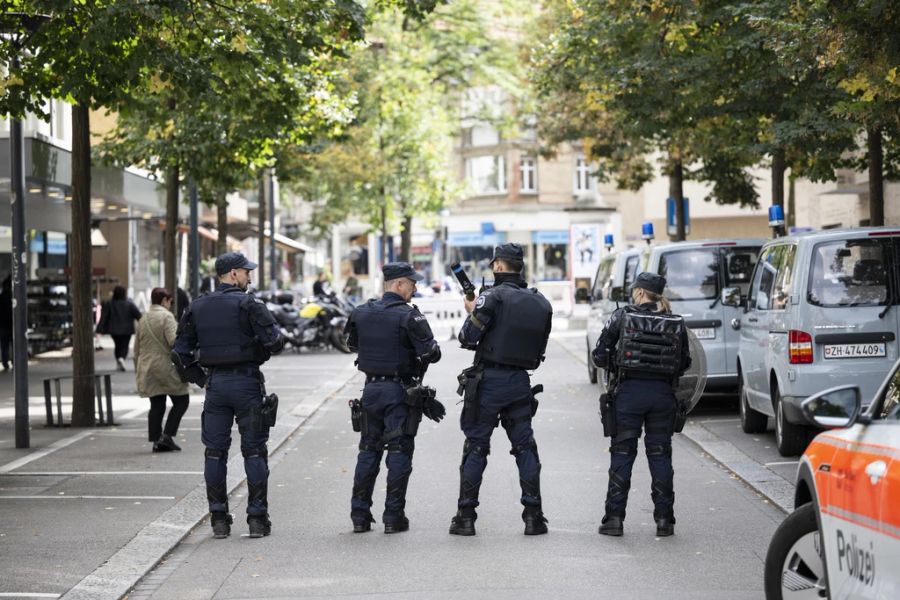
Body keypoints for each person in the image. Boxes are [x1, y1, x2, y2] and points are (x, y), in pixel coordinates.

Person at [173, 252, 284, 539]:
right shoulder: (249, 303)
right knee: (255, 451)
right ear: (233, 274)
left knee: (214, 453)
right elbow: (275, 341)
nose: (250, 277)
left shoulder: (198, 307)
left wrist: (202, 380)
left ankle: (219, 520)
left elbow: (179, 353)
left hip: (216, 386)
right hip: (247, 384)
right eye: (247, 272)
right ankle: (258, 520)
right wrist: (256, 351)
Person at [450, 243, 553, 536]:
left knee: (476, 447)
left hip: (488, 382)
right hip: (520, 381)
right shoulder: (541, 302)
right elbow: (540, 348)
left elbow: (468, 338)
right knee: (525, 448)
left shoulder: (491, 297)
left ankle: (466, 517)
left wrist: (473, 311)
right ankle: (534, 517)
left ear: (497, 265)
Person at [344, 262, 443, 534]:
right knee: (399, 451)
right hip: (399, 393)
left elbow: (351, 344)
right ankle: (393, 516)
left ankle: (359, 516)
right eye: (412, 283)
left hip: (371, 391)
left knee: (368, 450)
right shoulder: (408, 316)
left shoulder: (361, 312)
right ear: (399, 284)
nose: (415, 287)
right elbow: (432, 353)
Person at [591, 272, 691, 537]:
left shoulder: (622, 317)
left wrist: (617, 361)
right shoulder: (675, 323)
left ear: (639, 293)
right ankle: (664, 520)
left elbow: (599, 356)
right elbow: (684, 363)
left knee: (622, 453)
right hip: (662, 397)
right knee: (660, 455)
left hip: (628, 395)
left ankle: (613, 519)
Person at [134, 288, 190, 453]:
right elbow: (174, 341)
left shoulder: (143, 318)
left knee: (156, 403)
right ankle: (167, 435)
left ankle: (157, 441)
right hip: (165, 365)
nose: (171, 305)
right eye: (170, 301)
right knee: (182, 400)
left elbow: (136, 348)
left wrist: (138, 367)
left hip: (146, 366)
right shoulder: (166, 316)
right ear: (165, 300)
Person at [99, 285, 142, 372]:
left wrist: (101, 328)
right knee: (124, 345)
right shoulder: (129, 304)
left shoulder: (110, 304)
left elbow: (104, 317)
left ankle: (119, 360)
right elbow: (138, 315)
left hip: (114, 329)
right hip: (127, 330)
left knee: (117, 345)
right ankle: (122, 358)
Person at [0, 276, 11, 371]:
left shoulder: (1, 297)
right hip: (11, 325)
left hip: (3, 325)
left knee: (4, 346)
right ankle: (15, 362)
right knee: (15, 345)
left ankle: (5, 363)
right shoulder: (13, 297)